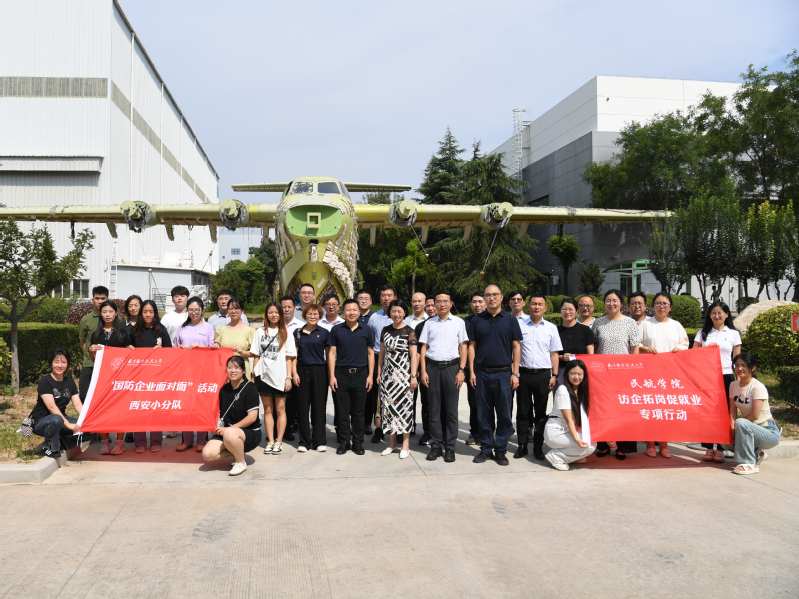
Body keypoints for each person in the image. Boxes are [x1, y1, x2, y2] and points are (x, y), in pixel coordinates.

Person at [467, 284, 522, 466]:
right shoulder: (477, 320)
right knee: (483, 414)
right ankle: (485, 449)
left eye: (495, 294)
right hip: (482, 374)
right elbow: (471, 346)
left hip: (504, 374)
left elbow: (516, 347)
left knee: (504, 414)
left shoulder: (510, 320)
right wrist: (472, 371)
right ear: (484, 298)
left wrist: (515, 373)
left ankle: (500, 450)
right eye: (488, 295)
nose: (491, 298)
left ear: (501, 297)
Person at [591, 289, 640, 460]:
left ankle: (622, 447)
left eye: (615, 300)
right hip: (601, 375)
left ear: (621, 303)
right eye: (608, 300)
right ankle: (604, 444)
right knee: (603, 410)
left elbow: (635, 349)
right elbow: (593, 348)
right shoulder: (598, 323)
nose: (611, 304)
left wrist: (634, 372)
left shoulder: (630, 323)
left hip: (623, 374)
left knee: (623, 410)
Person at [639, 292, 689, 459]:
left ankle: (665, 443)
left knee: (667, 409)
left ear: (670, 307)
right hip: (649, 373)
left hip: (670, 373)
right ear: (653, 306)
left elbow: (685, 343)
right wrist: (646, 348)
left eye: (665, 303)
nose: (661, 306)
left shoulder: (676, 325)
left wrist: (678, 349)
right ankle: (650, 442)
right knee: (651, 408)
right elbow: (636, 343)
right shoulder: (646, 324)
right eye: (658, 303)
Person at [419, 291, 467, 462]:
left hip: (452, 368)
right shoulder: (429, 323)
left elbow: (463, 347)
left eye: (445, 301)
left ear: (451, 303)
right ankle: (436, 446)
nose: (442, 304)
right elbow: (423, 348)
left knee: (451, 411)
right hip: (432, 368)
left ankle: (450, 447)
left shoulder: (459, 322)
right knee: (434, 409)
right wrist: (423, 371)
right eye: (438, 301)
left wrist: (461, 370)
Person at [515, 294, 562, 461]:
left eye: (540, 304)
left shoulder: (551, 328)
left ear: (545, 308)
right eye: (533, 304)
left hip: (543, 375)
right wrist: (515, 373)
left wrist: (554, 375)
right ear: (528, 307)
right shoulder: (519, 325)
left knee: (541, 412)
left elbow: (554, 353)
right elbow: (514, 350)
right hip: (523, 373)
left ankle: (537, 447)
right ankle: (521, 446)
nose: (536, 307)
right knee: (522, 411)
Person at [694, 301, 742, 463]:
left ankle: (721, 448)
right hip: (706, 377)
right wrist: (707, 349)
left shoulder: (733, 334)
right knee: (707, 412)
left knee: (725, 412)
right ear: (709, 315)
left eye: (720, 313)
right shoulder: (703, 333)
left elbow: (737, 359)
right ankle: (708, 447)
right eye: (713, 313)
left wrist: (739, 381)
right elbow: (694, 354)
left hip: (726, 375)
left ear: (727, 315)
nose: (716, 316)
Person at [327, 298, 375, 455]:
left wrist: (370, 375)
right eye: (348, 310)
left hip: (361, 374)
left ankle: (358, 442)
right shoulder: (336, 330)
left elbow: (370, 353)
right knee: (342, 411)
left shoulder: (366, 330)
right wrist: (332, 375)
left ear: (359, 312)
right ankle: (344, 441)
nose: (352, 312)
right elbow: (331, 354)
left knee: (358, 411)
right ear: (343, 312)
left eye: (354, 310)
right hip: (341, 374)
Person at [248, 301, 296, 455]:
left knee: (280, 410)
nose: (274, 315)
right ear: (266, 315)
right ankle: (270, 440)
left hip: (280, 377)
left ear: (280, 314)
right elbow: (256, 355)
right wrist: (254, 375)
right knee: (267, 410)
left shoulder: (286, 332)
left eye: (276, 312)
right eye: (270, 312)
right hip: (263, 377)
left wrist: (288, 377)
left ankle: (279, 441)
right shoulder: (260, 332)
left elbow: (289, 358)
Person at [202, 356, 262, 476]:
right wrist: (215, 426)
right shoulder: (224, 389)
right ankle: (236, 450)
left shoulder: (251, 388)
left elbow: (252, 418)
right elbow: (219, 413)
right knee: (207, 455)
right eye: (229, 367)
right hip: (228, 432)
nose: (233, 371)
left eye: (237, 368)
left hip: (250, 433)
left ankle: (240, 462)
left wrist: (229, 429)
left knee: (230, 433)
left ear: (244, 370)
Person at [129, 300, 173, 453]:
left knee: (155, 409)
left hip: (157, 378)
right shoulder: (135, 330)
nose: (148, 315)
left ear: (155, 313)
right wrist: (129, 348)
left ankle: (156, 441)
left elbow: (170, 352)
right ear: (141, 313)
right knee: (139, 410)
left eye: (151, 311)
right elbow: (126, 350)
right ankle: (140, 442)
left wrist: (162, 351)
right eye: (145, 312)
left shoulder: (161, 330)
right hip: (138, 378)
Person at [377, 299, 418, 460]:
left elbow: (413, 356)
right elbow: (382, 354)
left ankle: (405, 444)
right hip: (388, 376)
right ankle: (392, 443)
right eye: (393, 311)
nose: (396, 314)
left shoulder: (410, 331)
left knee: (404, 409)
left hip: (404, 376)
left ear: (404, 312)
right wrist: (379, 373)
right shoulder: (385, 330)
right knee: (388, 409)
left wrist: (413, 376)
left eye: (399, 311)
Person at [88, 300, 130, 456]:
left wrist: (130, 350)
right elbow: (94, 360)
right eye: (104, 311)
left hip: (120, 378)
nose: (107, 314)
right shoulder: (96, 334)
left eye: (110, 311)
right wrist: (91, 350)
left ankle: (120, 442)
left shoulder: (123, 333)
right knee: (102, 409)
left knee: (120, 410)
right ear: (100, 313)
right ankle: (104, 442)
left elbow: (130, 356)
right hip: (102, 378)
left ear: (116, 313)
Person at [173, 297, 215, 453]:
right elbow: (175, 346)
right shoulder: (182, 327)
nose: (194, 312)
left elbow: (212, 350)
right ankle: (187, 440)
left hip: (203, 372)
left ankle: (202, 440)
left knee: (201, 407)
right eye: (191, 310)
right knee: (186, 407)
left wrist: (200, 348)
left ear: (202, 310)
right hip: (185, 372)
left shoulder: (208, 327)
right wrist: (179, 349)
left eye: (197, 310)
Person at [728, 353, 780, 475]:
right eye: (737, 365)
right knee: (725, 442)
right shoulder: (733, 385)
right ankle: (756, 452)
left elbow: (755, 415)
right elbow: (732, 410)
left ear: (753, 368)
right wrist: (732, 429)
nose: (739, 368)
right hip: (750, 428)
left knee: (741, 422)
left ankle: (749, 463)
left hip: (768, 431)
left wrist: (738, 427)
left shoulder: (758, 387)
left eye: (743, 365)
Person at [28, 349, 82, 459]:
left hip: (61, 419)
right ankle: (49, 447)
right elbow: (52, 407)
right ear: (51, 363)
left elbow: (78, 405)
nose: (60, 365)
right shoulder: (45, 381)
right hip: (41, 422)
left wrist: (88, 421)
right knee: (57, 419)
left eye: (63, 362)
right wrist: (68, 425)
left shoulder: (70, 382)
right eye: (56, 362)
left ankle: (63, 441)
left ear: (68, 364)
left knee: (84, 428)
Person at [543, 359, 596, 471]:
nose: (576, 377)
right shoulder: (563, 390)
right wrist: (577, 440)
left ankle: (569, 456)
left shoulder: (582, 392)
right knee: (590, 445)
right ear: (567, 374)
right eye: (573, 373)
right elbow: (568, 419)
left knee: (591, 443)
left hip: (566, 431)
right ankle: (556, 456)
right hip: (555, 432)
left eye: (580, 374)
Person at [292, 304, 329, 452]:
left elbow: (330, 355)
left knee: (319, 406)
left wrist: (330, 374)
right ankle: (304, 442)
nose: (312, 317)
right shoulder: (298, 332)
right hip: (302, 370)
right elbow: (294, 355)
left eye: (315, 314)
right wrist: (294, 373)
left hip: (320, 371)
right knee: (302, 406)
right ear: (304, 315)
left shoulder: (324, 332)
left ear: (319, 316)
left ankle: (319, 441)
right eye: (309, 314)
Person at [367, 285, 396, 442]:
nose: (386, 298)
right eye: (383, 295)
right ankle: (378, 429)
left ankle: (395, 429)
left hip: (397, 360)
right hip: (378, 357)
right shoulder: (374, 317)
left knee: (395, 395)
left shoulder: (401, 315)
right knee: (377, 396)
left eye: (389, 295)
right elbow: (370, 340)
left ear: (395, 297)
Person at [413, 297, 439, 446]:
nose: (430, 308)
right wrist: (417, 370)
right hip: (426, 369)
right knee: (427, 402)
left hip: (444, 368)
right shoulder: (421, 327)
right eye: (428, 306)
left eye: (433, 305)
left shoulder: (450, 324)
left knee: (443, 403)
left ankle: (442, 432)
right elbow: (418, 351)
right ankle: (427, 431)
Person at [463, 292, 487, 445]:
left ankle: (488, 432)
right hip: (471, 368)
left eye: (480, 301)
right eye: (474, 302)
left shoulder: (492, 320)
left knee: (489, 403)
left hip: (489, 367)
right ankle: (474, 431)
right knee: (474, 402)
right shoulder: (465, 322)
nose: (477, 305)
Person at [78, 285, 108, 402]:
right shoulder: (86, 320)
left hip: (107, 364)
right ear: (92, 300)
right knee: (84, 395)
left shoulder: (114, 319)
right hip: (89, 363)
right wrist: (91, 356)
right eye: (97, 298)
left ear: (107, 299)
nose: (100, 301)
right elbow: (83, 342)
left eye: (103, 298)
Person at [213, 297, 255, 379]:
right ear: (228, 311)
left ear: (242, 311)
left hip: (241, 370)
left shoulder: (250, 331)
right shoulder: (221, 330)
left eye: (237, 308)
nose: (234, 311)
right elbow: (216, 349)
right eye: (231, 309)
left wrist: (242, 352)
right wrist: (215, 345)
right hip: (224, 370)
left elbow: (254, 353)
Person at [556, 298, 595, 385]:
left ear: (576, 311)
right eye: (564, 309)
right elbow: (550, 354)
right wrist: (561, 357)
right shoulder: (555, 331)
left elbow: (590, 356)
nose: (567, 312)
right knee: (562, 393)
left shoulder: (585, 330)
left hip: (580, 372)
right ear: (560, 311)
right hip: (562, 371)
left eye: (571, 309)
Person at [280, 295, 303, 440]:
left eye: (289, 307)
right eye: (283, 307)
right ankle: (276, 428)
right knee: (276, 398)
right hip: (276, 367)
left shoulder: (301, 325)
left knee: (291, 400)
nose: (286, 309)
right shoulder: (274, 324)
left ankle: (288, 428)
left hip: (294, 366)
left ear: (295, 308)